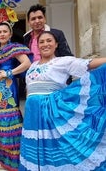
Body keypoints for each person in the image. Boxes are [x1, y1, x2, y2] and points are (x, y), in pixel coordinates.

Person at [19, 31, 106, 171]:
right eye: (41, 42)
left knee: (55, 145)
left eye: (49, 41)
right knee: (35, 146)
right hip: (32, 114)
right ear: (37, 45)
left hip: (51, 112)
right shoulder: (33, 66)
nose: (45, 44)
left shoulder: (63, 61)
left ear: (56, 44)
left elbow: (89, 64)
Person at [0, 21, 32, 171]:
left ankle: (9, 160)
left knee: (7, 120)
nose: (2, 34)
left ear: (10, 34)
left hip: (8, 89)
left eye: (5, 31)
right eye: (0, 32)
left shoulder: (14, 48)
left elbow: (27, 63)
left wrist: (9, 73)